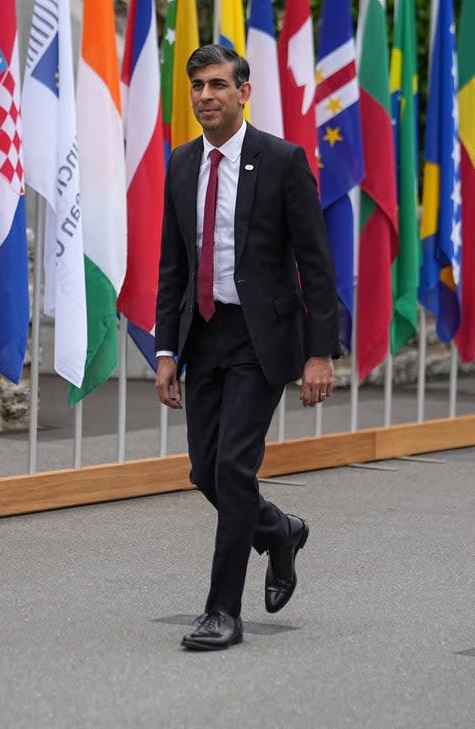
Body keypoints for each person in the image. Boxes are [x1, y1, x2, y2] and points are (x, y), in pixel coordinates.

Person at [155, 45, 339, 651]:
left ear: (243, 91)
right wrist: (164, 352)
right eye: (196, 87)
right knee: (205, 471)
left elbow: (314, 261)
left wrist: (320, 352)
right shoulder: (181, 164)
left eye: (216, 85)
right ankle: (280, 531)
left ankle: (221, 612)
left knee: (234, 468)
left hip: (261, 339)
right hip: (201, 336)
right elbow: (172, 267)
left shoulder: (282, 161)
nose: (205, 96)